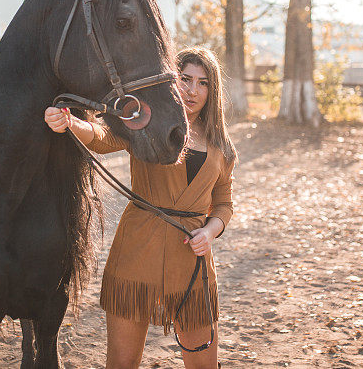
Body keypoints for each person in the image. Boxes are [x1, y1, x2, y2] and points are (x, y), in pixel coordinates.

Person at [44, 47, 236, 369]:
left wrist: (210, 230)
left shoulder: (222, 144)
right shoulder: (146, 122)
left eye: (202, 83)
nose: (192, 90)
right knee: (122, 364)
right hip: (136, 254)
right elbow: (104, 137)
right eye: (185, 79)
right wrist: (73, 124)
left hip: (191, 262)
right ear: (172, 81)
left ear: (211, 90)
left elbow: (224, 203)